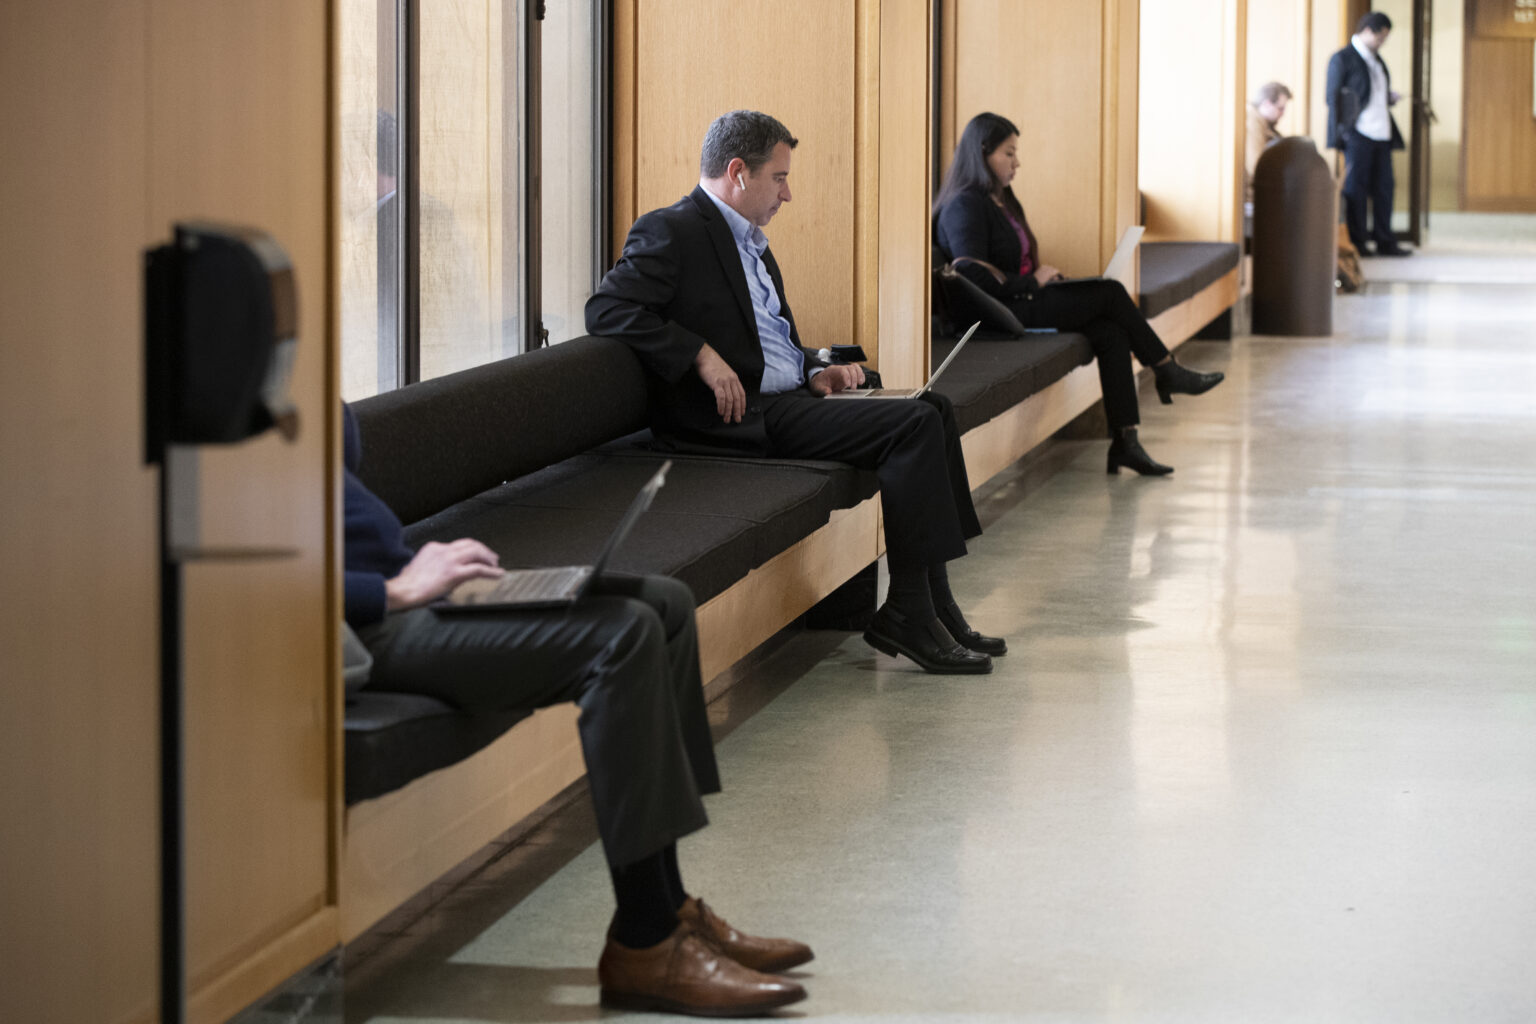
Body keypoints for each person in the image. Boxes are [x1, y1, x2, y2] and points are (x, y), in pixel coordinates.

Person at [342, 404, 811, 1017]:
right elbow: (239, 576)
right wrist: (392, 590)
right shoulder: (225, 399)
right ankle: (646, 941)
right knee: (622, 633)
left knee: (664, 603)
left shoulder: (293, 371)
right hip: (359, 630)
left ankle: (671, 906)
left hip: (407, 591)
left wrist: (423, 564)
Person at [586, 109, 1002, 675]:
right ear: (738, 172)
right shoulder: (672, 230)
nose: (788, 193)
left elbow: (768, 342)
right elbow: (606, 308)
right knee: (912, 422)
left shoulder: (751, 241)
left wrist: (814, 370)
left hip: (789, 397)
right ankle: (909, 610)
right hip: (738, 419)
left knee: (930, 405)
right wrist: (701, 355)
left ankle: (935, 604)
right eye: (779, 177)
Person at [932, 112, 1225, 477]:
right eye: (1008, 153)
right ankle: (1167, 370)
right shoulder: (964, 204)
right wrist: (1033, 282)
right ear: (982, 152)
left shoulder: (1001, 199)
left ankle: (1126, 442)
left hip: (1022, 300)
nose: (1016, 162)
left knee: (1110, 329)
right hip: (999, 313)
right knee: (1110, 293)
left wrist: (1043, 278)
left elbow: (1010, 264)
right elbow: (969, 274)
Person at [1327, 12, 1411, 257]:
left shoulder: (1377, 60)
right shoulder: (1342, 59)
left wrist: (1389, 97)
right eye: (1381, 36)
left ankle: (1385, 240)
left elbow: (1372, 93)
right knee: (1356, 188)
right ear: (1367, 31)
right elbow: (1333, 99)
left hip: (1382, 132)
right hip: (1357, 133)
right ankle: (1358, 241)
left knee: (1385, 187)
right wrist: (1338, 136)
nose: (1382, 42)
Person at [1246, 81, 1292, 205]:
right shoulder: (1253, 124)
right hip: (1254, 199)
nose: (1282, 114)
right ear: (1266, 104)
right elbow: (1256, 167)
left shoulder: (1264, 126)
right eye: (1280, 109)